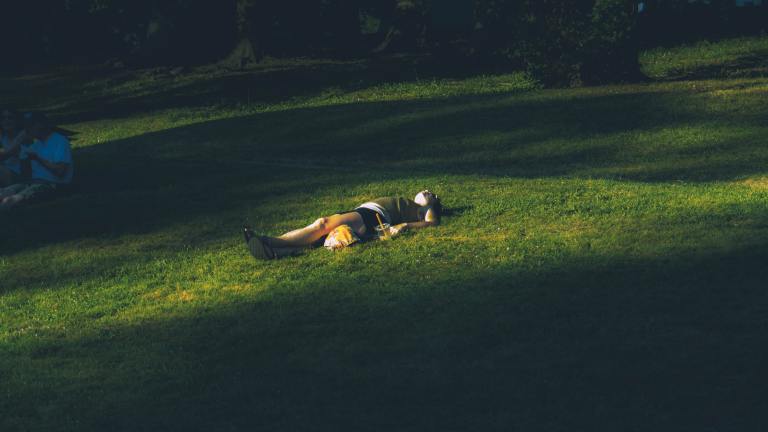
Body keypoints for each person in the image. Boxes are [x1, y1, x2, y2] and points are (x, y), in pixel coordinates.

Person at [244, 190, 443, 259]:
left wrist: (407, 226)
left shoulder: (424, 209)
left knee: (322, 224)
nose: (427, 191)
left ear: (432, 203)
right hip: (368, 216)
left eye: (431, 194)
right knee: (318, 238)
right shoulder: (413, 204)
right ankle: (275, 252)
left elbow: (432, 223)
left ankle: (266, 240)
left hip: (371, 215)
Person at [0, 112, 74, 210]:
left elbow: (60, 171)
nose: (27, 130)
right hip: (32, 183)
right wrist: (23, 157)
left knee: (8, 201)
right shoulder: (35, 145)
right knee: (2, 193)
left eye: (30, 125)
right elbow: (25, 176)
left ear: (41, 125)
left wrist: (37, 158)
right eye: (26, 126)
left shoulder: (59, 141)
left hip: (52, 185)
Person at [0, 109, 26, 186]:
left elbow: (6, 155)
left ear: (17, 120)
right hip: (6, 172)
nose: (6, 120)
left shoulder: (23, 135)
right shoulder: (3, 137)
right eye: (3, 118)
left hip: (21, 176)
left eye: (10, 117)